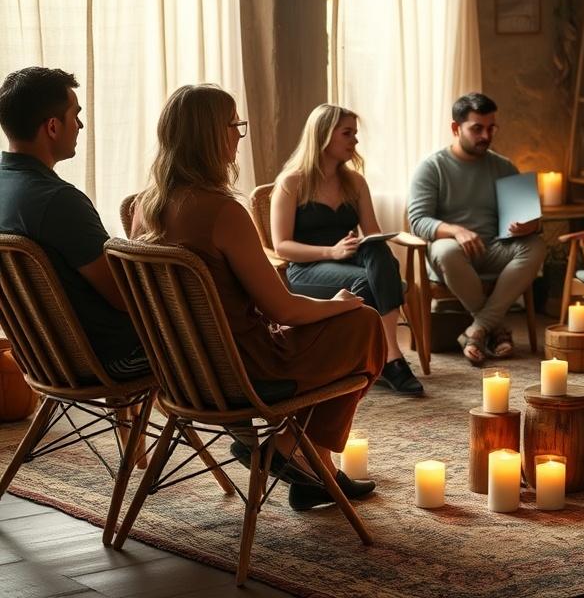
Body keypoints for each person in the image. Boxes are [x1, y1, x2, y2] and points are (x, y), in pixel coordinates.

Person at [132, 84, 385, 511]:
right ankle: (294, 450)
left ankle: (312, 469)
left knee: (340, 325)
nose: (238, 134)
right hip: (244, 371)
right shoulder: (223, 212)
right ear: (212, 136)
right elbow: (282, 307)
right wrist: (337, 305)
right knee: (363, 323)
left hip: (182, 370)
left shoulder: (146, 207)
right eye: (235, 125)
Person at [0, 67, 148, 379]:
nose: (80, 125)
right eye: (75, 115)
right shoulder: (59, 201)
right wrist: (140, 238)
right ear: (53, 127)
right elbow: (125, 298)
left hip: (40, 359)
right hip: (108, 360)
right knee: (219, 338)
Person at [270, 104, 423, 396]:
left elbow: (373, 232)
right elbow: (282, 246)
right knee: (367, 280)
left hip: (352, 261)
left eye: (355, 133)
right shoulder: (292, 183)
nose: (355, 140)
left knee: (378, 251)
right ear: (324, 135)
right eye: (347, 133)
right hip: (307, 269)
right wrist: (331, 252)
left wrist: (366, 249)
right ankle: (389, 359)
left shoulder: (355, 182)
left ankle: (385, 355)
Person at [407, 92, 545, 365]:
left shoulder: (504, 166)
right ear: (456, 128)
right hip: (452, 254)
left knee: (536, 246)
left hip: (494, 249)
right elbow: (418, 221)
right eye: (477, 128)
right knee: (446, 251)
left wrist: (531, 224)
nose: (486, 135)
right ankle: (496, 329)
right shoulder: (432, 168)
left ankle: (478, 329)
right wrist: (455, 231)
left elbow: (532, 221)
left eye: (491, 128)